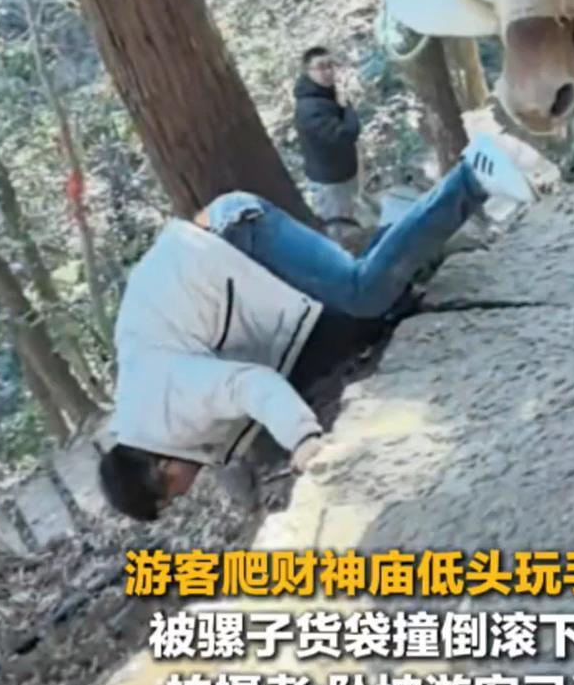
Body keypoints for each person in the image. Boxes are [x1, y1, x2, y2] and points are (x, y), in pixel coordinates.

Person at [98, 134, 534, 521]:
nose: (185, 493)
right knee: (361, 309)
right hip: (230, 268)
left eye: (172, 496)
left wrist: (303, 439)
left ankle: (472, 176)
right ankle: (411, 221)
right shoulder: (152, 414)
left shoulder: (164, 405)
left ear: (159, 469)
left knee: (362, 292)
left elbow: (250, 383)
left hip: (237, 236)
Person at [293, 46, 362, 224]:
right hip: (330, 184)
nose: (328, 72)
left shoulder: (325, 96)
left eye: (330, 66)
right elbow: (347, 134)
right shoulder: (309, 108)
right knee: (341, 231)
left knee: (351, 224)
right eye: (321, 67)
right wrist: (347, 106)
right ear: (307, 71)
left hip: (342, 176)